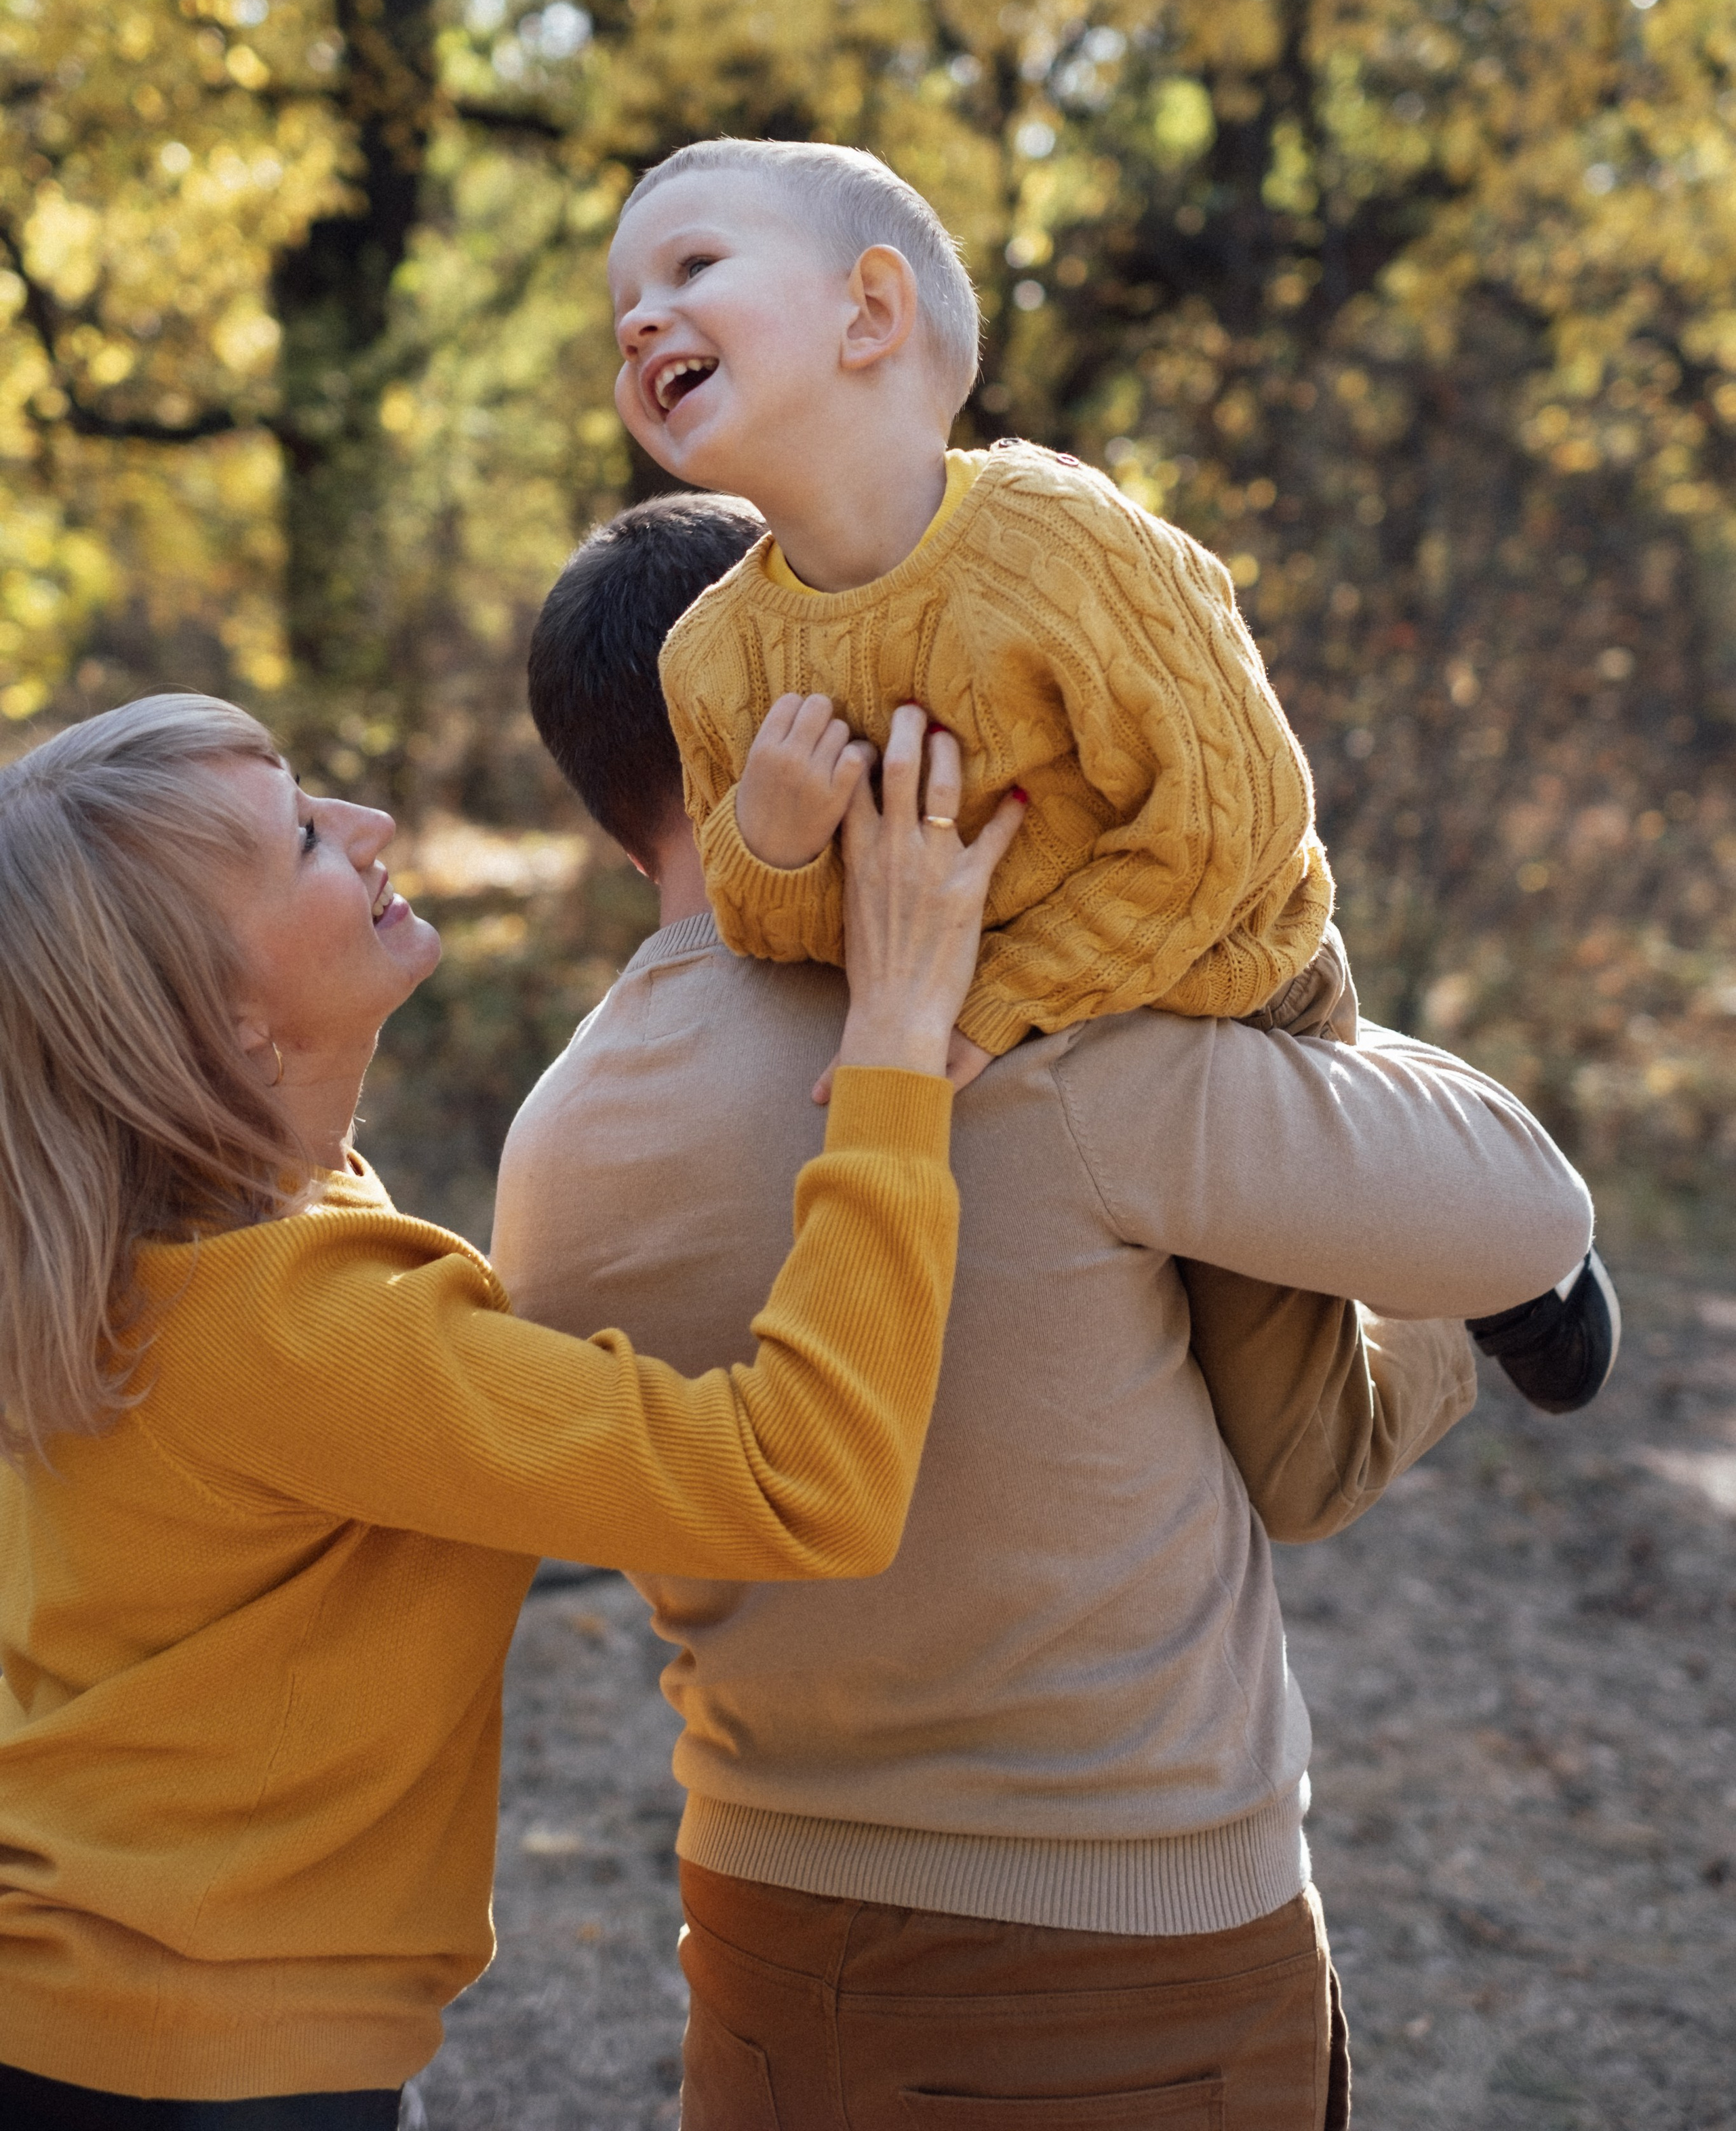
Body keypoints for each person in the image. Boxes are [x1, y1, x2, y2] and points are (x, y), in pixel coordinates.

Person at [494, 494, 1597, 2130]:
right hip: (1122, 1976)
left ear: (599, 799)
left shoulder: (555, 1144)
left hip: (760, 1960)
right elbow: (1525, 1209)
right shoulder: (1033, 1053)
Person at [0, 690, 1018, 2124]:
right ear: (224, 1019)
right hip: (193, 2071)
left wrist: (766, 881)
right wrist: (897, 1046)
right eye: (300, 837)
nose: (371, 830)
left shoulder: (129, 1264)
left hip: (115, 2018)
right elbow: (805, 1483)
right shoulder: (291, 1330)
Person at [608, 135, 1619, 1408]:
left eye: (691, 266)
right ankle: (1418, 1306)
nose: (642, 319)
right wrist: (776, 839)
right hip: (1026, 1071)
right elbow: (786, 939)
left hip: (1224, 983)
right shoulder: (713, 658)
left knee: (1364, 1366)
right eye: (621, 312)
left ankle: (1481, 1216)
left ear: (869, 312)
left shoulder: (1056, 541)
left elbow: (1233, 823)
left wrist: (992, 1005)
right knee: (1301, 1478)